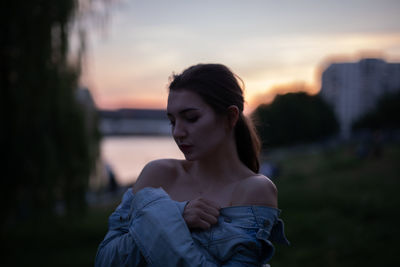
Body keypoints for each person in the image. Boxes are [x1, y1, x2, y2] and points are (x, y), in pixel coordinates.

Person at [95, 64, 289, 266]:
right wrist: (178, 216)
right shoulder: (157, 174)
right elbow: (107, 260)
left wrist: (162, 222)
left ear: (230, 117)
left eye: (191, 118)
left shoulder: (254, 190)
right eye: (172, 121)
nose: (177, 132)